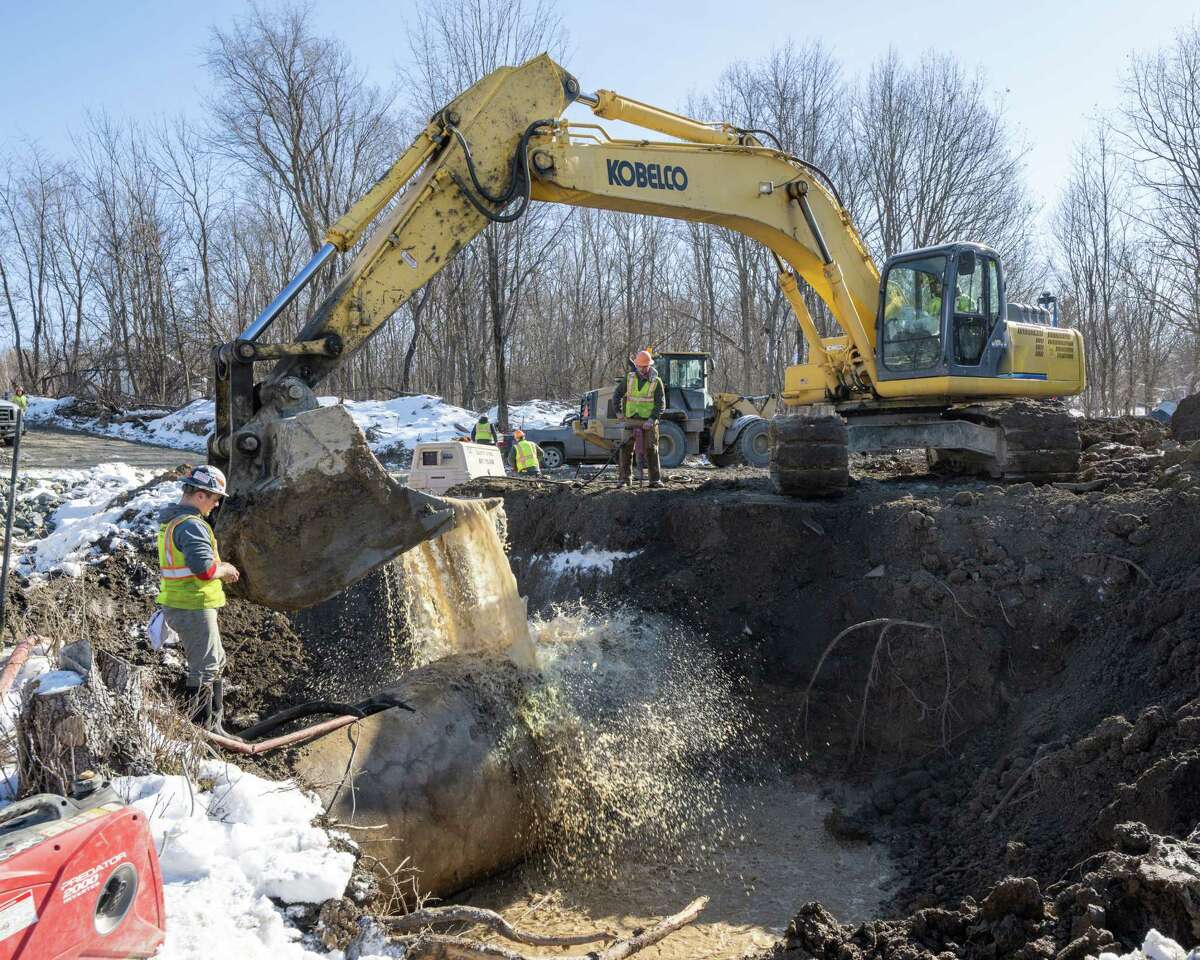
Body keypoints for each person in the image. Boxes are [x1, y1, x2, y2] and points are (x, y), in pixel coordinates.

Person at [156, 465, 240, 732]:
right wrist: (225, 569)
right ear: (201, 495)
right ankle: (204, 731)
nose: (215, 506)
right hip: (192, 604)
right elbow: (204, 570)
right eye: (215, 499)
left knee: (215, 662)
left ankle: (214, 726)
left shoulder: (174, 521)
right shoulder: (192, 526)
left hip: (185, 603)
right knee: (205, 668)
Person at [613, 349, 666, 489]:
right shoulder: (629, 378)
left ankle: (655, 479)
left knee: (651, 448)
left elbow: (661, 404)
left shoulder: (656, 381)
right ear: (636, 365)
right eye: (640, 366)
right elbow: (617, 394)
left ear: (649, 365)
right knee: (625, 448)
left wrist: (652, 419)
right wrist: (618, 412)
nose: (642, 369)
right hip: (631, 419)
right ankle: (624, 480)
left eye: (645, 366)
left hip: (649, 420)